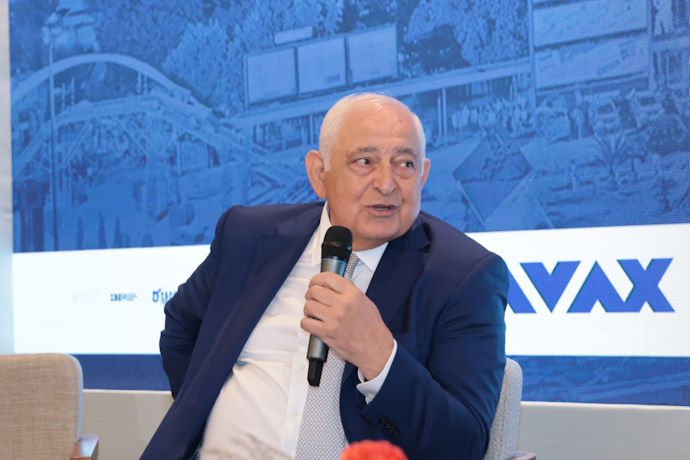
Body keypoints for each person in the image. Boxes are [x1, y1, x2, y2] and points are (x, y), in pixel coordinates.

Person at [142, 93, 508, 460]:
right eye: (365, 161)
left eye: (405, 164)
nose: (387, 183)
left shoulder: (464, 277)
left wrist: (379, 356)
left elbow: (463, 445)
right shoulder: (248, 236)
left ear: (423, 175)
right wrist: (210, 421)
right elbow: (181, 331)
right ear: (319, 173)